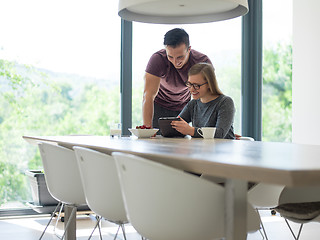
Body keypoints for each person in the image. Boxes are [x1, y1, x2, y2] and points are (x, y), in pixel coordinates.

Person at [143, 28, 212, 129]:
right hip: (159, 105)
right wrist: (147, 128)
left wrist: (220, 130)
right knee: (156, 142)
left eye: (180, 57)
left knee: (184, 142)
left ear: (189, 49)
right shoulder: (157, 59)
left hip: (184, 107)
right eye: (170, 57)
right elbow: (148, 96)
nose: (175, 62)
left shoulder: (202, 62)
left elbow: (209, 97)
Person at [171, 62, 235, 139]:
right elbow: (175, 125)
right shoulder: (193, 104)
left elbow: (219, 134)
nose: (191, 89)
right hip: (201, 149)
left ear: (209, 84)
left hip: (222, 149)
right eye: (189, 84)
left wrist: (191, 131)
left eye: (196, 85)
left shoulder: (225, 102)